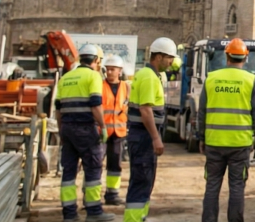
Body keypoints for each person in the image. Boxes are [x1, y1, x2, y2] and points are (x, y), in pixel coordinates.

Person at [197, 38, 255, 222]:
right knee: (236, 187)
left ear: (226, 55)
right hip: (239, 144)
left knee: (212, 186)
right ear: (245, 58)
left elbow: (202, 112)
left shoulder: (211, 79)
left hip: (214, 142)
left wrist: (201, 137)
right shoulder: (251, 80)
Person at [55, 44, 114, 222]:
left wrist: (61, 131)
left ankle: (69, 213)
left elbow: (58, 109)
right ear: (96, 60)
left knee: (68, 172)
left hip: (67, 128)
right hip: (86, 129)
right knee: (93, 169)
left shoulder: (65, 77)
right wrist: (103, 126)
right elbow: (95, 104)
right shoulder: (93, 76)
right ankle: (94, 211)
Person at [123, 37, 177, 222]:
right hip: (143, 136)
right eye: (169, 57)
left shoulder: (151, 75)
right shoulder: (148, 76)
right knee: (141, 181)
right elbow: (146, 110)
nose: (171, 62)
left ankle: (140, 217)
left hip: (142, 136)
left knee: (145, 181)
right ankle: (133, 219)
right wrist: (156, 138)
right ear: (159, 56)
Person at [100, 54, 129, 206]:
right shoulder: (100, 86)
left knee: (115, 165)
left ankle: (112, 194)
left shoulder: (126, 87)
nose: (109, 72)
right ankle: (90, 196)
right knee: (96, 164)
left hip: (118, 134)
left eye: (113, 69)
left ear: (120, 71)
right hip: (102, 133)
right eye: (107, 69)